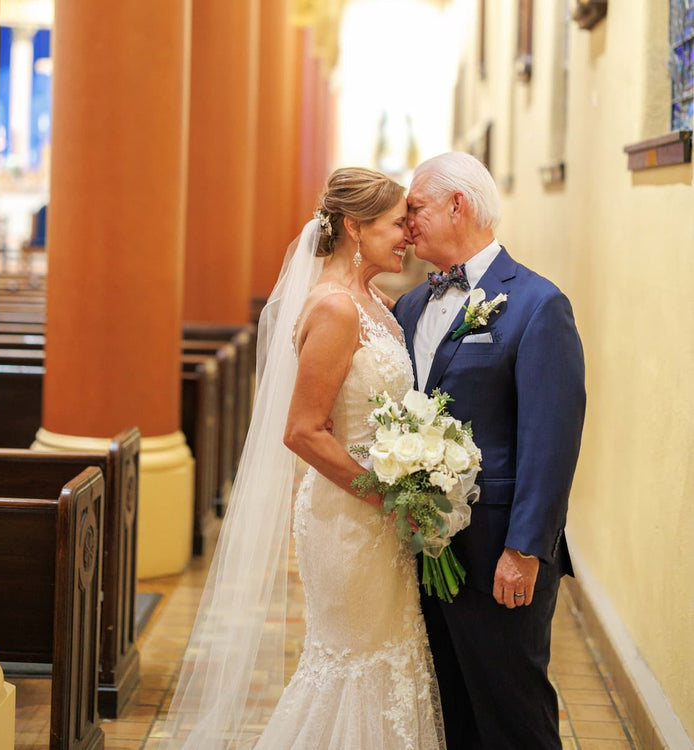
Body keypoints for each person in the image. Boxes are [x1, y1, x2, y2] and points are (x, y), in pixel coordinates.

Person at [162, 167, 446, 749]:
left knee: (392, 660)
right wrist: (391, 497)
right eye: (397, 224)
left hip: (383, 520)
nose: (409, 237)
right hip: (348, 519)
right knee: (355, 665)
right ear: (354, 226)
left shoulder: (379, 302)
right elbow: (302, 431)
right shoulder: (336, 309)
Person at [394, 152, 586, 750]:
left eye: (415, 208)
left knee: (513, 715)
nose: (406, 224)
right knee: (449, 707)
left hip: (499, 553)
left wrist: (525, 549)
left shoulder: (536, 304)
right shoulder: (409, 306)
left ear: (459, 205)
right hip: (423, 549)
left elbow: (551, 441)